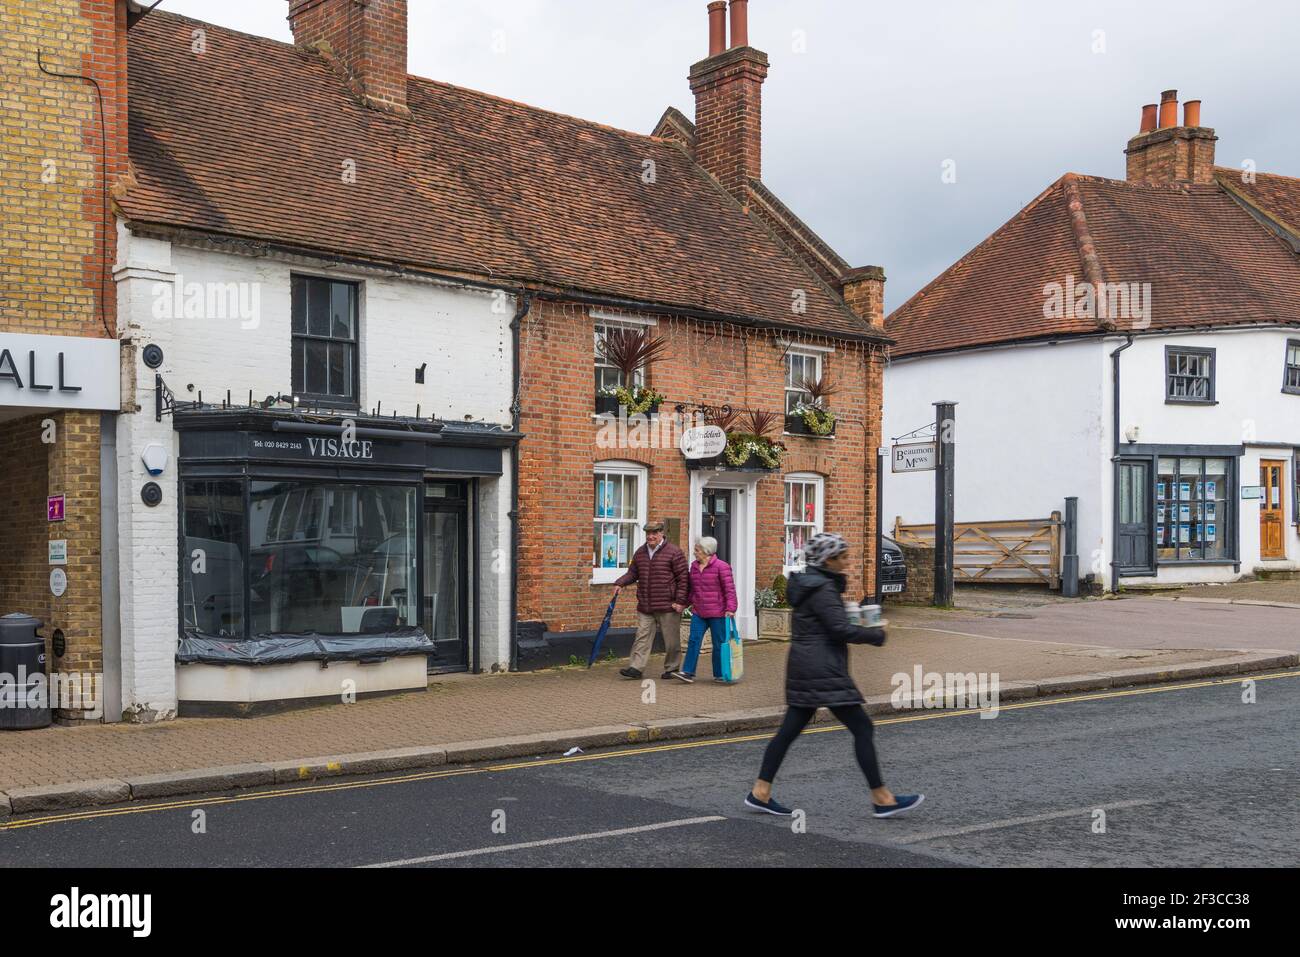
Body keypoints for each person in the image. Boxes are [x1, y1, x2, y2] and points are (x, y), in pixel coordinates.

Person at [745, 532, 925, 820]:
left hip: (807, 666)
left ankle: (760, 792)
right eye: (843, 556)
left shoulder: (812, 584)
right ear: (828, 560)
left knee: (788, 732)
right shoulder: (823, 589)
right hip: (822, 669)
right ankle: (882, 798)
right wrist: (876, 634)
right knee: (862, 728)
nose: (847, 561)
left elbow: (831, 625)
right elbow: (839, 629)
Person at [614, 521, 689, 680]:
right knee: (641, 636)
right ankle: (636, 668)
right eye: (648, 533)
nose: (651, 536)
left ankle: (672, 668)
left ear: (662, 533)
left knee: (671, 640)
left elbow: (683, 579)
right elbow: (632, 573)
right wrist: (620, 582)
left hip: (668, 604)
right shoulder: (640, 553)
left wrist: (680, 601)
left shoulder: (674, 552)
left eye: (654, 533)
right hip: (646, 604)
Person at [672, 537, 737, 684]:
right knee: (693, 640)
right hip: (699, 612)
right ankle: (688, 672)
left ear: (706, 551)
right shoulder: (694, 566)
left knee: (719, 643)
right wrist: (684, 604)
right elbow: (693, 591)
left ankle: (720, 674)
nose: (694, 553)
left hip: (717, 612)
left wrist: (731, 608)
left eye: (697, 550)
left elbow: (730, 590)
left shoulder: (722, 567)